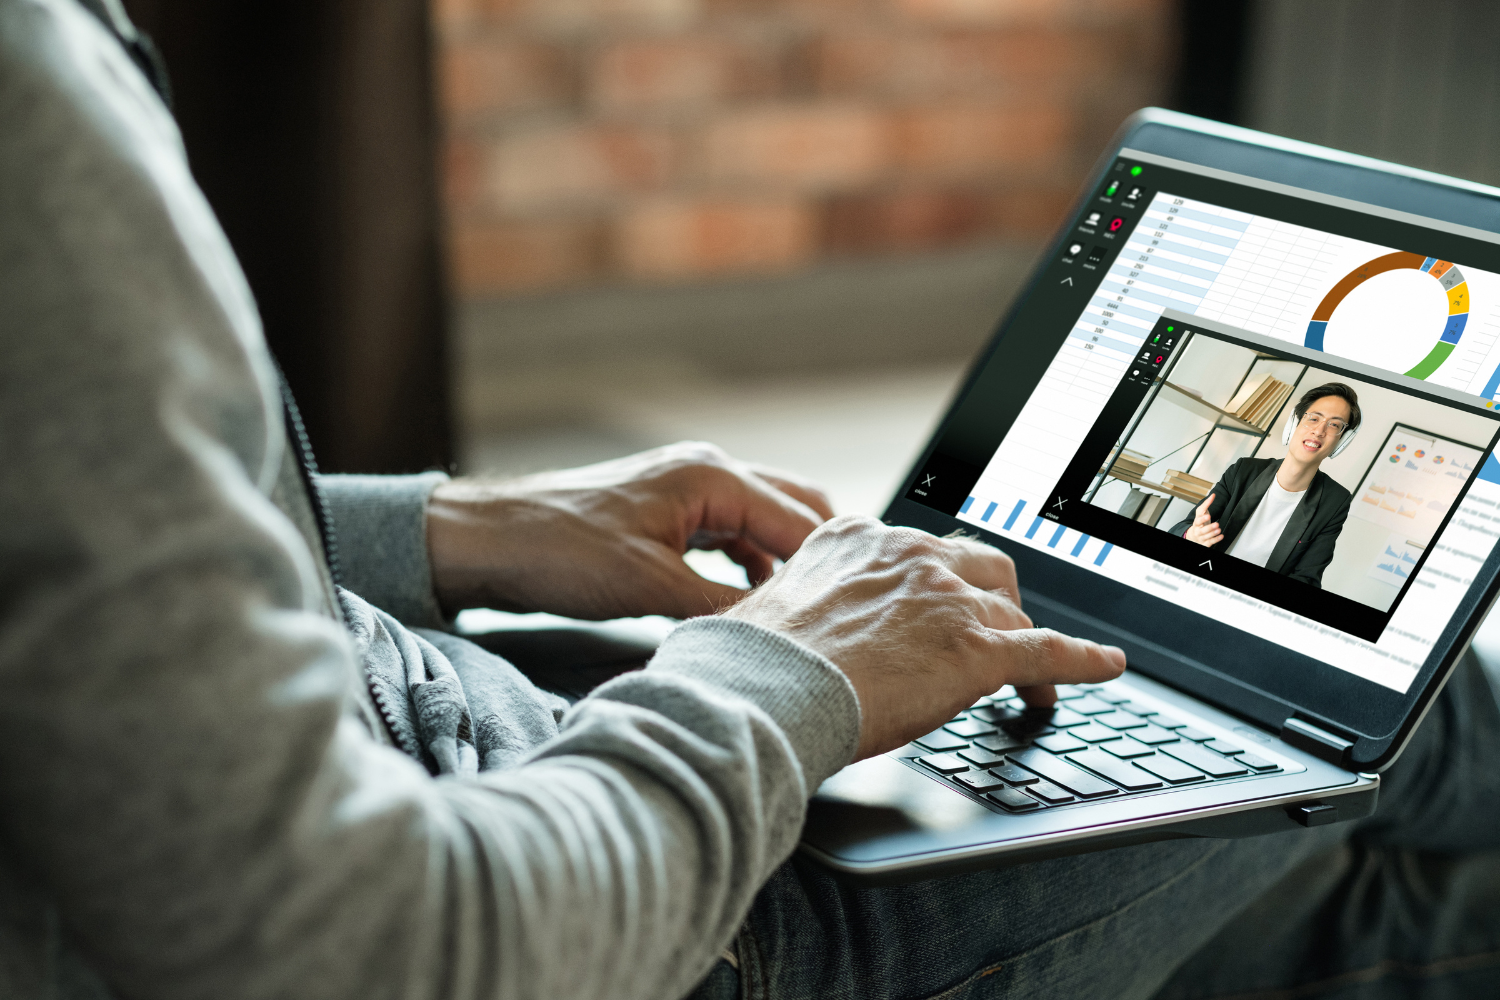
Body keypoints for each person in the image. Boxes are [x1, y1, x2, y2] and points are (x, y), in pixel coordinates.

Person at [4, 3, 1500, 998]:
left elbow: (77, 557)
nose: (1310, 430)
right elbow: (359, 955)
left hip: (467, 751)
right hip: (603, 916)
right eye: (1307, 412)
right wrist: (785, 677)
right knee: (1366, 724)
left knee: (1329, 870)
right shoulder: (31, 101)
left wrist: (447, 532)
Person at [1169, 383, 1359, 587]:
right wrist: (1192, 536)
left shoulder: (1334, 502)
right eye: (1313, 418)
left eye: (1334, 425)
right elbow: (1181, 529)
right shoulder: (1243, 471)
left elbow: (1308, 578)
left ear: (1342, 441)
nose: (1319, 431)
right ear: (1294, 423)